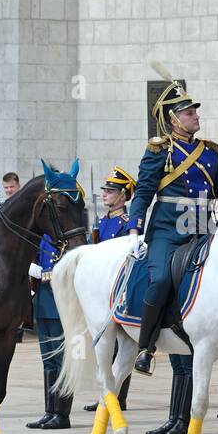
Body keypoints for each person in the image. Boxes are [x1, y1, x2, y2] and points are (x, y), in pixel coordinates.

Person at [127, 72, 218, 375]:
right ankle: (146, 347)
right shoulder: (159, 151)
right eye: (189, 113)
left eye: (195, 112)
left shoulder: (209, 152)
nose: (195, 116)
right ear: (174, 119)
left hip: (202, 230)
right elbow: (144, 191)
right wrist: (135, 228)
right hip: (167, 231)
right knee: (160, 279)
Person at [25, 162, 85, 432]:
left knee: (62, 357)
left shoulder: (71, 232)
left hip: (62, 298)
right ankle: (50, 411)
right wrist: (31, 267)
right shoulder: (44, 229)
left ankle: (62, 414)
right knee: (48, 357)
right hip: (44, 296)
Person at [83, 166, 135, 416]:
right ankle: (105, 393)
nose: (105, 194)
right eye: (105, 190)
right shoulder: (101, 222)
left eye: (111, 191)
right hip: (100, 290)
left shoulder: (126, 224)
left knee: (122, 347)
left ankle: (117, 396)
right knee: (103, 346)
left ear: (123, 196)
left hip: (118, 288)